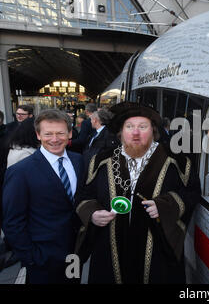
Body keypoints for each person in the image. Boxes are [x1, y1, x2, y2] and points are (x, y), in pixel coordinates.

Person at [75, 102, 198, 284]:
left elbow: (192, 193)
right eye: (129, 126)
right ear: (121, 132)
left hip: (157, 251)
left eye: (143, 127)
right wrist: (92, 213)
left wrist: (166, 206)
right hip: (110, 248)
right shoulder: (100, 160)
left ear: (153, 130)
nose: (135, 133)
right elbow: (84, 194)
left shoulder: (177, 161)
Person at [2, 109, 84, 284]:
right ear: (38, 135)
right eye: (48, 134)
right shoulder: (20, 171)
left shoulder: (79, 161)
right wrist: (31, 257)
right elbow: (12, 221)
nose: (54, 139)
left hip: (74, 254)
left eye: (60, 133)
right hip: (42, 260)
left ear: (70, 133)